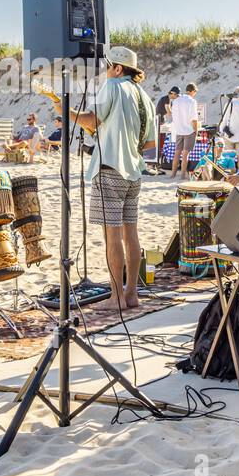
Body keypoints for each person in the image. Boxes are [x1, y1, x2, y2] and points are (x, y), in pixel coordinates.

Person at [65, 46, 156, 317]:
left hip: (109, 169)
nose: (105, 72)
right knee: (131, 234)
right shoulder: (144, 96)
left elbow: (92, 121)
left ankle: (115, 296)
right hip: (134, 172)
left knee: (111, 235)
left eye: (107, 67)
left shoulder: (112, 86)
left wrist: (67, 111)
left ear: (117, 68)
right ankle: (131, 293)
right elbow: (150, 143)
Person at [168, 82, 200, 180]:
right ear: (193, 91)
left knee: (177, 153)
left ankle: (173, 174)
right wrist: (196, 130)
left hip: (178, 130)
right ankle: (182, 175)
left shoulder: (176, 101)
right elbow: (194, 118)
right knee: (186, 154)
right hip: (189, 130)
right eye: (195, 92)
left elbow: (173, 115)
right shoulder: (192, 101)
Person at [217, 87, 239, 160]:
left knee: (229, 159)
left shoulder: (230, 103)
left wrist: (220, 131)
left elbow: (224, 119)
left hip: (230, 135)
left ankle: (231, 171)